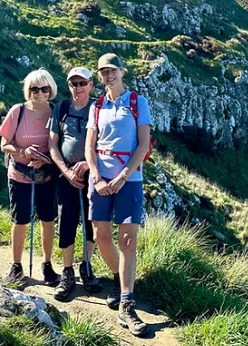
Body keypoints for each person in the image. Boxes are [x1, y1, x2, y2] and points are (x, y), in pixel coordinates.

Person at [85, 53, 152, 337]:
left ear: (122, 71)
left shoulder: (138, 102)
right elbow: (90, 146)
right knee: (100, 237)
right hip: (100, 179)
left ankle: (127, 303)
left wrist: (124, 176)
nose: (108, 75)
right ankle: (118, 277)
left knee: (127, 240)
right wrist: (97, 178)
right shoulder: (97, 106)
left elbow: (144, 144)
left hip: (130, 179)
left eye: (112, 70)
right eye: (103, 72)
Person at [0, 68, 61, 286]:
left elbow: (61, 145)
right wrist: (23, 152)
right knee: (20, 219)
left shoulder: (56, 111)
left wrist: (45, 159)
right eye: (34, 89)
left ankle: (47, 264)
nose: (39, 93)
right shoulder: (18, 111)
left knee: (47, 219)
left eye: (44, 88)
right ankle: (16, 265)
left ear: (50, 90)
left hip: (47, 176)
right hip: (19, 175)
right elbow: (4, 144)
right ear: (28, 90)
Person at [49, 66, 102, 299]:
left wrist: (88, 165)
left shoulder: (100, 109)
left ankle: (86, 267)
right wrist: (66, 171)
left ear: (91, 85)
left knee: (93, 223)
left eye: (82, 83)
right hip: (66, 176)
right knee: (67, 222)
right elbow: (52, 145)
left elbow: (106, 144)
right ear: (68, 85)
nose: (78, 88)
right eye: (73, 84)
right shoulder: (60, 109)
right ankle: (68, 272)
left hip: (95, 175)